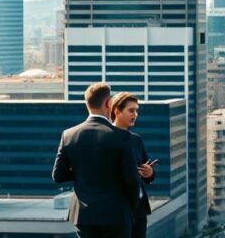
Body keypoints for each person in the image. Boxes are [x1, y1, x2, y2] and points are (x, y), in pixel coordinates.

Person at [52, 83, 140, 238]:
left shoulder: (68, 135)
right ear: (108, 103)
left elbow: (58, 176)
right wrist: (131, 210)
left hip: (84, 216)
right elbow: (132, 180)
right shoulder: (122, 137)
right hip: (116, 215)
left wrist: (82, 171)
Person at [109, 92, 154, 238]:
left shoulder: (136, 140)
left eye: (136, 110)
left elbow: (148, 173)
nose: (135, 114)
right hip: (118, 208)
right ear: (117, 111)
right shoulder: (105, 138)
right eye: (131, 110)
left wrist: (149, 173)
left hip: (139, 208)